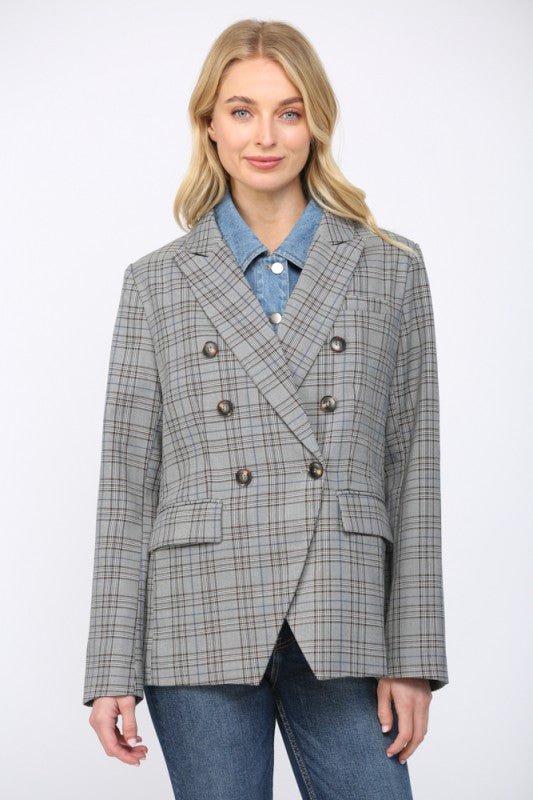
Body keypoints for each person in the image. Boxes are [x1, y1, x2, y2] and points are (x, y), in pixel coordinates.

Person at [83, 18, 448, 800]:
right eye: (242, 110)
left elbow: (413, 466)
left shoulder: (389, 267)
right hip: (197, 611)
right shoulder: (156, 281)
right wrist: (110, 665)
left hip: (343, 609)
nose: (265, 136)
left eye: (288, 111)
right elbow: (127, 483)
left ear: (315, 121)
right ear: (209, 124)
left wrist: (414, 654)